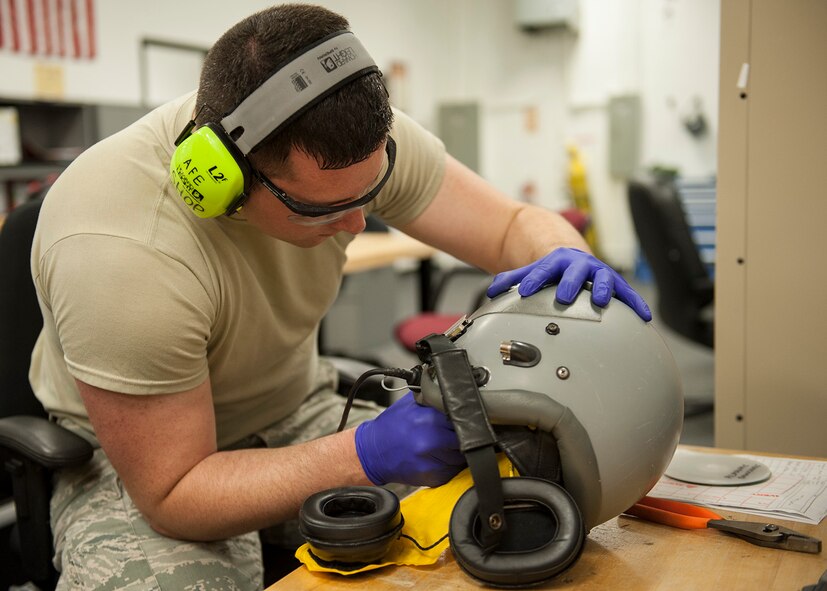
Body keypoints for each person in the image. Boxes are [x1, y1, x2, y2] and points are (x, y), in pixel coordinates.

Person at [29, 4, 651, 589]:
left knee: (513, 513)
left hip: (295, 410)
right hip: (143, 466)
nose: (357, 226)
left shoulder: (345, 147)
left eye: (370, 194)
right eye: (323, 209)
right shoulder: (119, 243)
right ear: (222, 180)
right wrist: (369, 452)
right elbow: (174, 493)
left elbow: (512, 226)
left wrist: (568, 255)